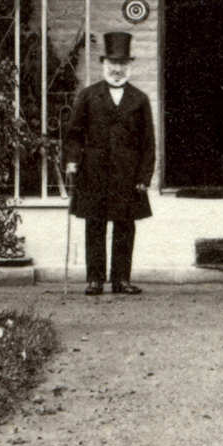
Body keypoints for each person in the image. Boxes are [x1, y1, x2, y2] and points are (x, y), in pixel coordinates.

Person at [63, 30, 156, 296]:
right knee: (95, 224)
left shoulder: (140, 100)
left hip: (127, 174)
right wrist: (72, 161)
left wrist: (144, 176)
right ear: (104, 65)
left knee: (125, 225)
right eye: (113, 64)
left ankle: (121, 280)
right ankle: (94, 279)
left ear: (129, 67)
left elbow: (148, 143)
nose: (117, 69)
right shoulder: (89, 96)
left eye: (122, 64)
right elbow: (74, 134)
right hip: (93, 171)